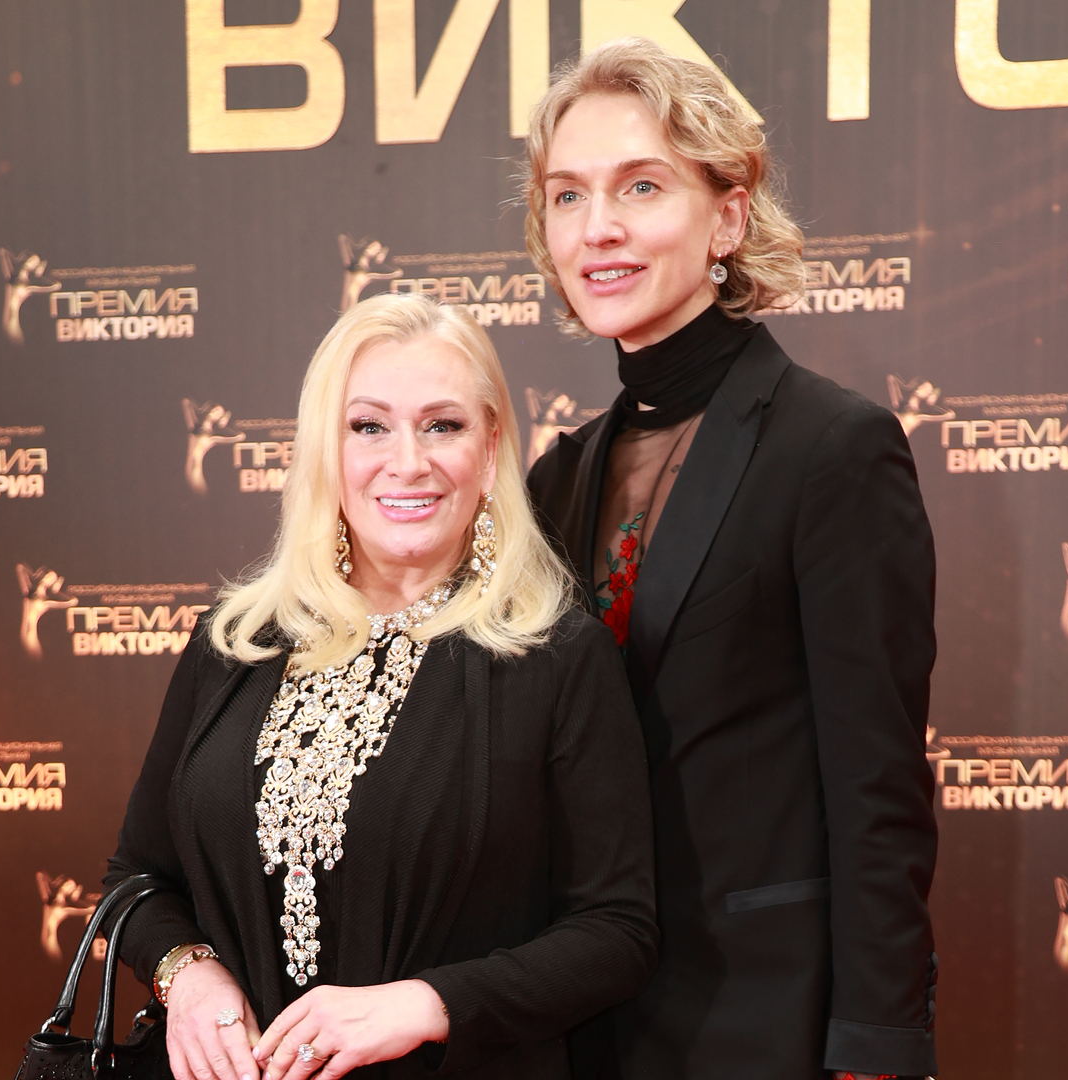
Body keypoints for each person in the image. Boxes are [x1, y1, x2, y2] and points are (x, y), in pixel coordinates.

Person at [521, 39, 939, 1080]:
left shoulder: (832, 449)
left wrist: (878, 1049)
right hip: (581, 1024)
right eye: (568, 195)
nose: (598, 227)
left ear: (729, 218)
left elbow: (878, 788)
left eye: (642, 186)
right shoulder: (555, 479)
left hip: (765, 1016)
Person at [105, 293, 657, 1080]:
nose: (407, 462)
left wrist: (426, 1004)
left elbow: (617, 931)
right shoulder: (236, 641)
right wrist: (188, 976)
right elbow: (136, 878)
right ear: (323, 450)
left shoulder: (559, 657)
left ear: (490, 447)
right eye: (368, 426)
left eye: (443, 425)